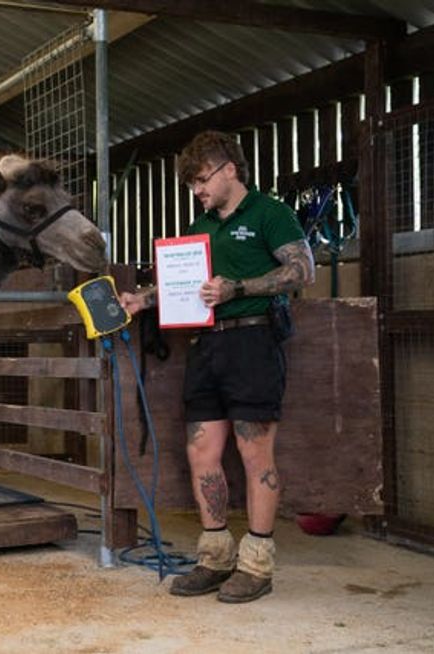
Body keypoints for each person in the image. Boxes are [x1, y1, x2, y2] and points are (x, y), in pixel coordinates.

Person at [120, 131, 314, 603]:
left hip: (253, 339)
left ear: (230, 168)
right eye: (192, 185)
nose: (198, 190)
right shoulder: (198, 227)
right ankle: (215, 555)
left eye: (202, 180)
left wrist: (238, 288)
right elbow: (183, 288)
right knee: (201, 452)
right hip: (206, 346)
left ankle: (257, 563)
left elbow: (301, 270)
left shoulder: (270, 214)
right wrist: (141, 300)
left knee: (255, 454)